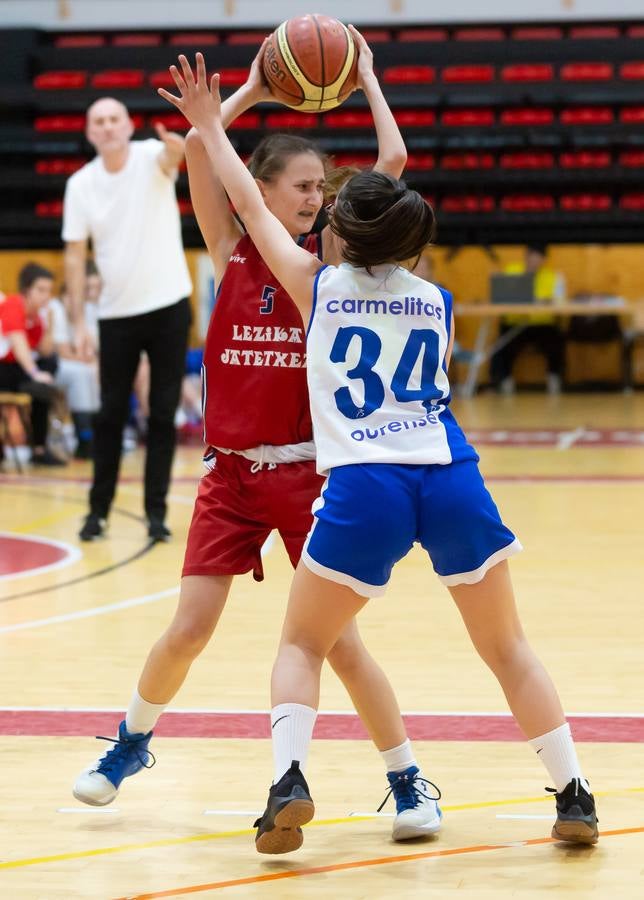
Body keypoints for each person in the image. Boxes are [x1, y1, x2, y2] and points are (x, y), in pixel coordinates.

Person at [161, 52, 599, 855]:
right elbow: (388, 185)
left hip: (367, 485)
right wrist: (365, 78)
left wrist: (207, 119)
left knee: (302, 642)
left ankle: (288, 782)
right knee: (508, 647)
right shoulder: (436, 297)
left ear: (338, 233)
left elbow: (245, 196)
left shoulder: (315, 286)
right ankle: (574, 793)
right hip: (450, 473)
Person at [71, 34, 442, 844]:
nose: (316, 197)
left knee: (340, 644)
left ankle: (409, 777)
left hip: (312, 477)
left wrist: (368, 78)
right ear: (265, 189)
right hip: (232, 477)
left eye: (320, 189)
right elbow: (208, 154)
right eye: (303, 186)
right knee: (190, 627)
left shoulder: (329, 262)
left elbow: (391, 160)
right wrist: (245, 93)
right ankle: (130, 743)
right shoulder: (233, 248)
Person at [62, 96, 193, 541]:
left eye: (113, 119)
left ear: (128, 124)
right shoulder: (80, 184)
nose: (106, 126)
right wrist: (79, 322)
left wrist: (176, 147)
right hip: (116, 314)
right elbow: (75, 257)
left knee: (161, 412)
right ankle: (97, 512)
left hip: (169, 305)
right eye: (97, 120)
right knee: (110, 415)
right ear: (89, 132)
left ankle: (156, 515)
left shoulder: (148, 157)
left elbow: (171, 158)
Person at [0, 262, 66, 466]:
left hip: (18, 372)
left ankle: (39, 449)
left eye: (49, 291)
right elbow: (18, 344)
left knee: (47, 370)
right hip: (4, 368)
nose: (46, 295)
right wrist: (34, 373)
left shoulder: (38, 316)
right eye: (41, 290)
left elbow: (44, 350)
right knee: (40, 378)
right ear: (27, 290)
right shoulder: (12, 305)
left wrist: (50, 325)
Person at [490, 244, 566, 395]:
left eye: (539, 259)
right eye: (532, 257)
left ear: (544, 260)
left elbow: (560, 301)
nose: (535, 262)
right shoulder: (511, 271)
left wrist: (548, 301)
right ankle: (505, 380)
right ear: (526, 256)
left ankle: (554, 378)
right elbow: (501, 297)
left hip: (542, 324)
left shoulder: (553, 276)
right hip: (515, 322)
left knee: (556, 339)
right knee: (502, 343)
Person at [49, 263, 101, 458]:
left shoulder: (86, 309)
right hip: (57, 364)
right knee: (82, 373)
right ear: (64, 295)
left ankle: (98, 434)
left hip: (77, 362)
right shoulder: (56, 309)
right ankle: (85, 437)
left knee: (94, 371)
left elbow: (91, 347)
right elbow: (62, 351)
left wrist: (88, 357)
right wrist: (85, 358)